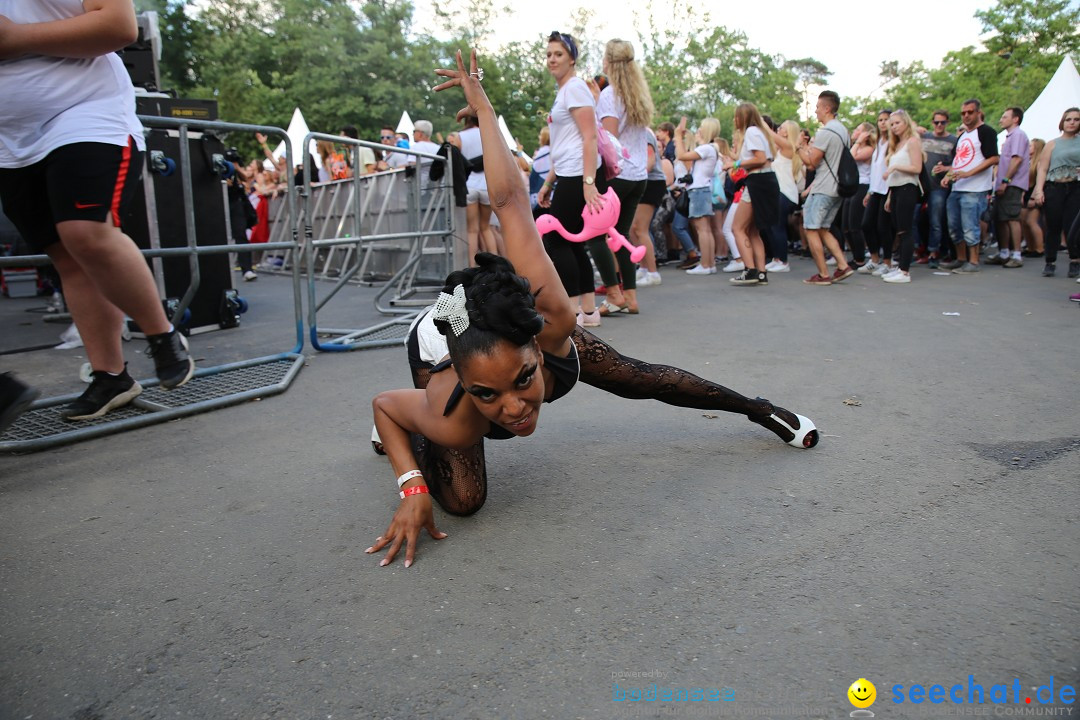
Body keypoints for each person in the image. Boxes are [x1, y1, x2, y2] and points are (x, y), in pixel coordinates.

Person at [365, 49, 820, 568]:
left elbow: (512, 200)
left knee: (637, 375)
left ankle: (762, 409)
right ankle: (410, 432)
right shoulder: (457, 409)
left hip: (492, 308)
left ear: (537, 343)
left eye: (522, 380)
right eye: (489, 394)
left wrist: (485, 110)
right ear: (467, 387)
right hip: (441, 328)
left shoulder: (552, 320)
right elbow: (383, 401)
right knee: (464, 501)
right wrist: (411, 487)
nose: (513, 409)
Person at [0, 0, 194, 422]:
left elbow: (119, 25)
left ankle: (162, 334)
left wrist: (14, 39)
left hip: (85, 110)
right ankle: (111, 376)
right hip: (10, 136)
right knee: (66, 257)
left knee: (85, 232)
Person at [536, 31, 610, 326]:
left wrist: (588, 183)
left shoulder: (576, 88)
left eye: (558, 54)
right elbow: (564, 143)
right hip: (568, 173)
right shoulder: (565, 91)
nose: (552, 59)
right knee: (574, 242)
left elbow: (589, 137)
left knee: (555, 238)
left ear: (572, 59)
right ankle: (588, 311)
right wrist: (548, 182)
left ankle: (570, 312)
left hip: (580, 174)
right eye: (549, 54)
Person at [594, 38, 654, 314]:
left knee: (598, 235)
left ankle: (614, 293)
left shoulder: (610, 95)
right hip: (638, 175)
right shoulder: (638, 94)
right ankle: (631, 297)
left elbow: (609, 141)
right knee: (621, 235)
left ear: (607, 61)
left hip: (616, 174)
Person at [796, 91, 855, 285]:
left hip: (823, 186)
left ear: (827, 108)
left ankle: (823, 274)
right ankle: (842, 265)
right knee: (822, 228)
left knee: (811, 229)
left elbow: (812, 163)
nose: (816, 111)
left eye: (818, 107)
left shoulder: (827, 132)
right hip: (838, 186)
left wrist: (798, 148)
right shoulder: (843, 131)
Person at [723, 103, 780, 286]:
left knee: (737, 228)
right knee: (753, 231)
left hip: (758, 182)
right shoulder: (760, 133)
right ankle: (761, 272)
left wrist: (736, 164)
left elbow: (760, 158)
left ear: (743, 117)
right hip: (766, 181)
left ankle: (750, 269)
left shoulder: (751, 132)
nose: (734, 120)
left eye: (736, 116)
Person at [940, 98, 999, 274]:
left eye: (970, 112)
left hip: (975, 188)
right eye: (963, 113)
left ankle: (973, 262)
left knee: (970, 225)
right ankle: (961, 259)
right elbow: (958, 161)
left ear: (978, 112)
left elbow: (994, 158)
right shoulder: (963, 136)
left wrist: (968, 173)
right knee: (954, 226)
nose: (966, 116)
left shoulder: (986, 131)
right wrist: (948, 175)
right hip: (957, 187)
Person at [1030, 107, 1080, 278]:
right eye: (1068, 119)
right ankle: (1050, 261)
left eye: (1076, 119)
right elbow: (1042, 168)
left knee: (1072, 226)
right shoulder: (1052, 144)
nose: (1072, 122)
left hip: (1075, 188)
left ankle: (1075, 261)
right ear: (1062, 122)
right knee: (1053, 225)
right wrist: (1038, 190)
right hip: (1054, 187)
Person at [878, 110, 924, 284]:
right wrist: (890, 196)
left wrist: (895, 167)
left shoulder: (912, 142)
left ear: (905, 122)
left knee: (905, 230)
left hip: (908, 188)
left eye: (897, 123)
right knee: (899, 229)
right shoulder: (896, 144)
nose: (894, 127)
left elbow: (917, 168)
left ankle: (904, 271)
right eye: (892, 124)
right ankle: (900, 268)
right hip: (896, 189)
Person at [674, 116, 722, 275]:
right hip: (703, 189)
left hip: (699, 190)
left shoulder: (706, 149)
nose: (698, 129)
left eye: (701, 126)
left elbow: (681, 156)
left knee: (702, 229)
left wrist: (678, 136)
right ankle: (709, 264)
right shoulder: (710, 149)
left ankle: (706, 264)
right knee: (705, 229)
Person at [987, 107, 1030, 268]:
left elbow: (1017, 159)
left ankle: (1016, 255)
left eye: (1004, 117)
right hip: (1004, 184)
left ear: (1015, 119)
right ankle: (1004, 252)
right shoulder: (1010, 137)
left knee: (1012, 218)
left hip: (1011, 184)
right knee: (1001, 218)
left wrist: (1005, 180)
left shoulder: (1018, 135)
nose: (1001, 120)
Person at [918, 110, 958, 269]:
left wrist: (947, 168)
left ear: (947, 123)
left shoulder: (953, 140)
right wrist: (917, 128)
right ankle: (921, 248)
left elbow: (960, 162)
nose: (939, 125)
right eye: (936, 122)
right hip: (921, 185)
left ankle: (934, 251)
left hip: (939, 186)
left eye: (942, 122)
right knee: (917, 220)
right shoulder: (924, 136)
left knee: (936, 219)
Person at [841, 122, 874, 269]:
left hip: (863, 185)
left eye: (859, 130)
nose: (855, 132)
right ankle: (855, 256)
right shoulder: (858, 147)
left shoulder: (869, 149)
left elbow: (851, 158)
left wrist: (859, 142)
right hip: (854, 185)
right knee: (846, 225)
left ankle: (860, 258)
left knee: (855, 224)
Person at [1020, 139, 1046, 258]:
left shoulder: (1040, 162)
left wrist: (1033, 197)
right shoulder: (1028, 161)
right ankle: (1031, 247)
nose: (1028, 147)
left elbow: (1039, 181)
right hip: (1026, 193)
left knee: (1032, 221)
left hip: (1034, 193)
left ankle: (1039, 248)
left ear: (1037, 148)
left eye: (1030, 146)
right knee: (1024, 222)